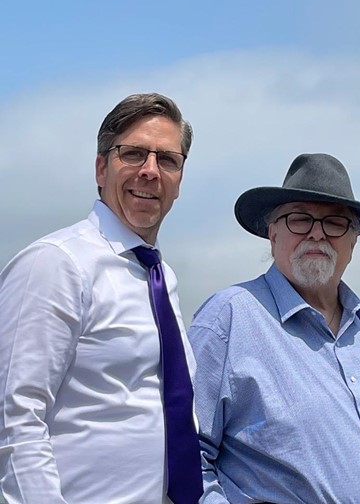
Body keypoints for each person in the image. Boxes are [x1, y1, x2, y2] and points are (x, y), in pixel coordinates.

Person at [189, 153, 360, 503]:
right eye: (299, 219)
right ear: (272, 233)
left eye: (335, 223)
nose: (317, 233)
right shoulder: (229, 318)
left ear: (353, 241)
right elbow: (185, 455)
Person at [0, 93, 202, 504]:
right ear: (100, 168)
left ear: (180, 178)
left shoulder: (161, 278)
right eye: (133, 154)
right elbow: (14, 416)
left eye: (167, 160)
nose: (150, 172)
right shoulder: (56, 264)